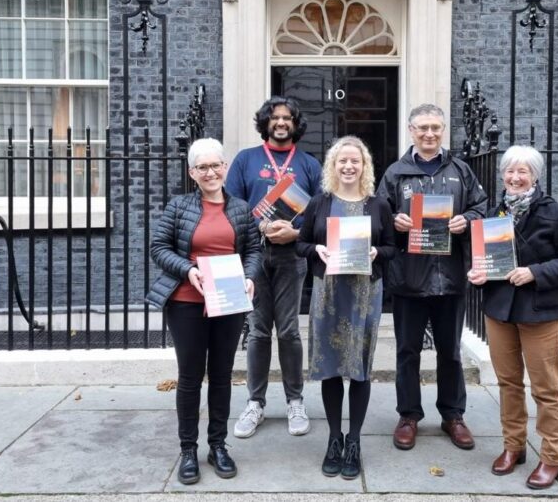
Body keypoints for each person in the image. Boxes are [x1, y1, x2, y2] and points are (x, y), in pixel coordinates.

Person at [467, 145, 558, 490]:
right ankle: (513, 446)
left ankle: (551, 457)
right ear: (502, 175)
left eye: (523, 172)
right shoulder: (495, 211)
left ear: (535, 175)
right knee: (507, 384)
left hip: (542, 313)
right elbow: (491, 261)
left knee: (546, 390)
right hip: (500, 310)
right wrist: (479, 273)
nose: (515, 178)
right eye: (509, 171)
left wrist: (534, 272)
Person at [147, 138, 261, 484]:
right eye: (202, 167)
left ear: (225, 168)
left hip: (228, 303)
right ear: (192, 172)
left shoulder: (240, 208)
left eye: (216, 165)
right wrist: (188, 270)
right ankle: (187, 450)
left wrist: (250, 277)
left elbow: (254, 249)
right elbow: (158, 247)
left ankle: (218, 445)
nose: (210, 172)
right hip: (187, 302)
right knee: (190, 377)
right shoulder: (179, 206)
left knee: (223, 375)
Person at [377, 103, 488, 451]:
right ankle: (408, 415)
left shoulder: (461, 170)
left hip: (450, 278)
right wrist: (394, 221)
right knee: (407, 351)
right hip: (409, 278)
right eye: (423, 127)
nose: (429, 134)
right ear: (411, 130)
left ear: (443, 131)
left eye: (436, 128)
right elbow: (377, 217)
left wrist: (466, 220)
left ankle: (453, 415)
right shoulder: (395, 173)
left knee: (450, 352)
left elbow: (482, 207)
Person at [296, 136, 397, 479]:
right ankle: (334, 438)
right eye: (343, 161)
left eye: (355, 161)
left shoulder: (378, 204)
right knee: (329, 365)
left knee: (359, 367)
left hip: (365, 294)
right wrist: (317, 251)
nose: (349, 166)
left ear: (364, 166)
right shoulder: (319, 203)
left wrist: (375, 253)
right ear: (333, 166)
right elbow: (301, 243)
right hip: (328, 293)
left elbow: (392, 248)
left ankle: (354, 441)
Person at [225, 96, 322, 438]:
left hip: (292, 256)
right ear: (265, 122)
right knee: (257, 331)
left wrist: (295, 232)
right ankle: (255, 403)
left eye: (287, 118)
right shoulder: (245, 160)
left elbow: (319, 214)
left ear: (295, 124)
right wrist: (262, 228)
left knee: (290, 330)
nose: (281, 123)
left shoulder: (309, 164)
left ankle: (295, 400)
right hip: (253, 254)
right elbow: (232, 207)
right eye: (275, 118)